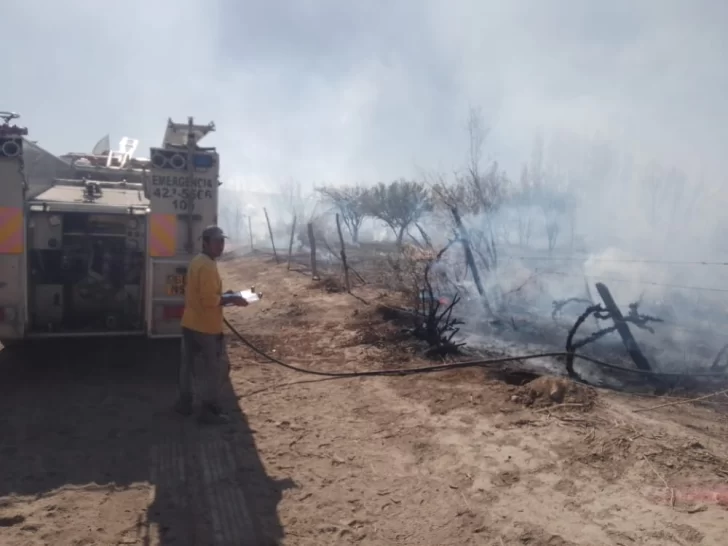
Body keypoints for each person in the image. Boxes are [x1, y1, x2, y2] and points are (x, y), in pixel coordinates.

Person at [174, 225, 248, 424]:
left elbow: (205, 294)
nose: (221, 246)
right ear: (205, 243)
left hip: (190, 322)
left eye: (222, 241)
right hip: (205, 328)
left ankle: (185, 403)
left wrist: (225, 295)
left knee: (188, 366)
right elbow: (208, 300)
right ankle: (208, 411)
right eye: (217, 242)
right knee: (217, 368)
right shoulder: (207, 265)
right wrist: (232, 298)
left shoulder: (198, 261)